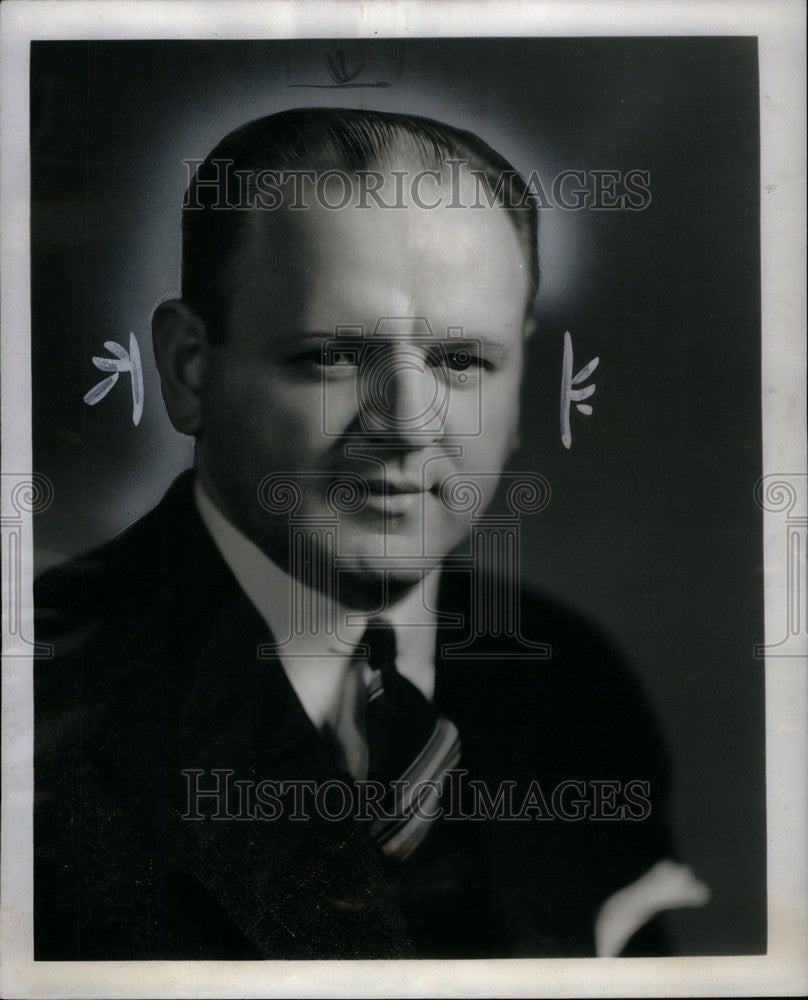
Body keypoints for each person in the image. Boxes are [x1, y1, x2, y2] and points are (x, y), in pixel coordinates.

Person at [34, 108, 707, 960]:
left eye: (463, 362)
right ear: (189, 368)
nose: (406, 426)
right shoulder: (39, 705)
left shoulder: (573, 687)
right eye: (333, 356)